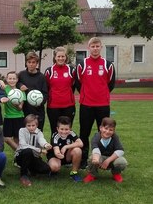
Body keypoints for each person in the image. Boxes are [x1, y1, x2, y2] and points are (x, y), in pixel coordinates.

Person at [76, 37, 116, 168]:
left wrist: (101, 94)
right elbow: (78, 83)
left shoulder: (108, 64)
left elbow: (110, 84)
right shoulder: (82, 64)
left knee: (105, 132)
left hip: (103, 105)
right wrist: (87, 94)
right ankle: (82, 160)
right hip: (86, 104)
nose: (95, 48)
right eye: (92, 46)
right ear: (89, 48)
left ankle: (103, 158)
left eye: (97, 46)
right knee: (84, 133)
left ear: (101, 47)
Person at [83, 117, 127, 183]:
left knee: (122, 162)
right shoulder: (96, 137)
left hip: (111, 158)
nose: (107, 131)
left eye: (111, 130)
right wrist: (96, 159)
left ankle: (116, 173)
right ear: (100, 128)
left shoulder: (115, 137)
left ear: (114, 131)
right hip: (100, 157)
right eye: (106, 128)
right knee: (92, 158)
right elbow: (95, 149)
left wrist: (108, 160)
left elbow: (120, 150)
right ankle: (91, 174)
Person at [44, 47, 76, 136]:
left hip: (68, 106)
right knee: (54, 131)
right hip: (53, 106)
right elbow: (46, 87)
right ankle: (54, 150)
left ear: (66, 57)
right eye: (58, 56)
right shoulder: (49, 71)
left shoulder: (72, 70)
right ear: (55, 57)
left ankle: (67, 149)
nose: (61, 58)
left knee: (67, 131)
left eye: (63, 56)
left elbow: (73, 86)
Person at [15, 114, 52, 187]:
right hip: (21, 156)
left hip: (34, 156)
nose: (31, 127)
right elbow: (23, 145)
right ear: (25, 125)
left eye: (33, 125)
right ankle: (23, 175)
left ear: (37, 125)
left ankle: (31, 169)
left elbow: (41, 140)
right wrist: (40, 150)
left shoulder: (39, 132)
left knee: (46, 169)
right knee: (27, 151)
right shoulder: (22, 131)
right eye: (29, 125)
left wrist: (46, 145)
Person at [18, 52, 48, 131]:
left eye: (33, 62)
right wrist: (20, 85)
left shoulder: (41, 77)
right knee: (25, 134)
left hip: (38, 111)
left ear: (37, 63)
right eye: (29, 62)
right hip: (25, 110)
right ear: (26, 63)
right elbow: (16, 83)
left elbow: (45, 93)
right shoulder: (21, 75)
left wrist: (39, 102)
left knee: (37, 134)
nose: (31, 64)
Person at [47, 116, 83, 182]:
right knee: (54, 167)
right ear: (57, 129)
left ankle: (74, 173)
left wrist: (66, 147)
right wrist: (59, 154)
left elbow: (81, 143)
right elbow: (56, 151)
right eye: (62, 129)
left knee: (78, 150)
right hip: (56, 156)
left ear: (70, 129)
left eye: (66, 129)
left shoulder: (71, 133)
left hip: (67, 156)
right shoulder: (55, 136)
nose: (64, 131)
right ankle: (53, 171)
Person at [3, 71, 25, 151]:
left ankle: (17, 158)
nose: (12, 80)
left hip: (19, 117)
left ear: (17, 80)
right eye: (10, 78)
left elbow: (20, 108)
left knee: (17, 138)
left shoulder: (21, 91)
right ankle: (20, 151)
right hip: (8, 117)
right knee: (6, 138)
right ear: (7, 79)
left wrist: (15, 103)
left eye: (14, 78)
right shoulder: (5, 89)